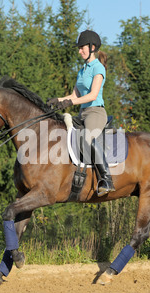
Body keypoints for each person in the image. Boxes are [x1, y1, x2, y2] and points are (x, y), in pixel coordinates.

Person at [47, 30, 115, 197]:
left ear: (92, 47)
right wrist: (58, 100)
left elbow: (92, 95)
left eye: (81, 48)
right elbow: (74, 96)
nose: (79, 51)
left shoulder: (98, 68)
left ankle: (106, 179)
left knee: (87, 138)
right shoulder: (82, 70)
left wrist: (69, 102)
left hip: (96, 112)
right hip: (83, 113)